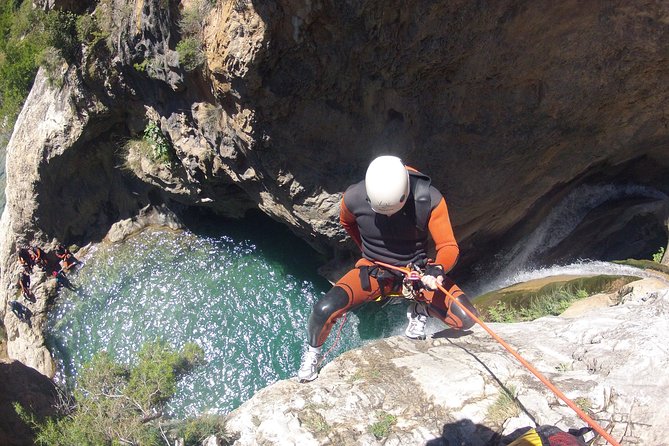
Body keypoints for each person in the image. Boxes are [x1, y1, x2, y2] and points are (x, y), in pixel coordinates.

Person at [298, 155, 479, 382]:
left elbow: (448, 246)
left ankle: (419, 310)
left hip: (417, 272)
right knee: (322, 310)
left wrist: (438, 269)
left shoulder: (429, 199)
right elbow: (347, 222)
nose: (388, 216)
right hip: (375, 270)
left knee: (465, 319)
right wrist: (370, 253)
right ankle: (313, 353)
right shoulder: (353, 197)